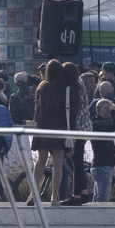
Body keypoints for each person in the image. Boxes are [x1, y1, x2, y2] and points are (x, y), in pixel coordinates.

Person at [30, 59, 74, 206]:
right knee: (57, 163)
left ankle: (33, 193)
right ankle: (54, 197)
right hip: (59, 128)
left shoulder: (42, 87)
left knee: (40, 160)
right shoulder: (65, 88)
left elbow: (37, 109)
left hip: (42, 126)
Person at [61, 61, 92, 206]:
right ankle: (84, 192)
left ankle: (76, 195)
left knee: (75, 162)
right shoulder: (79, 83)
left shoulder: (70, 88)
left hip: (76, 129)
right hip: (85, 127)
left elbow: (73, 113)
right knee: (75, 161)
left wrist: (70, 136)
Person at [89, 98, 115, 203]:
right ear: (104, 110)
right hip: (103, 167)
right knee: (103, 200)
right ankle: (101, 218)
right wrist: (114, 112)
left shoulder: (100, 123)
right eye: (109, 108)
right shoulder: (97, 124)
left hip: (103, 167)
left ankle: (95, 217)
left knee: (98, 198)